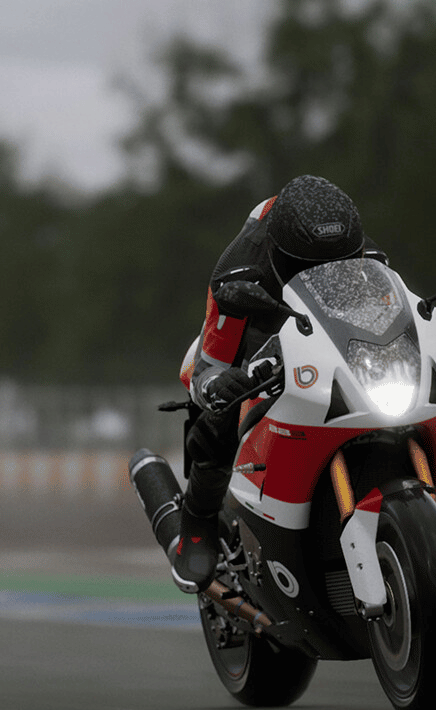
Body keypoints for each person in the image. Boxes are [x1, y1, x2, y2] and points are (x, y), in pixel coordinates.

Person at [163, 174, 383, 591]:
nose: (324, 275)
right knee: (224, 410)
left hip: (333, 338)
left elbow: (398, 313)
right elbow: (207, 364)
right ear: (279, 255)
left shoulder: (361, 252)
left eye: (337, 266)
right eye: (308, 267)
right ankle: (198, 518)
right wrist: (216, 385)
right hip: (264, 326)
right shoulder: (238, 271)